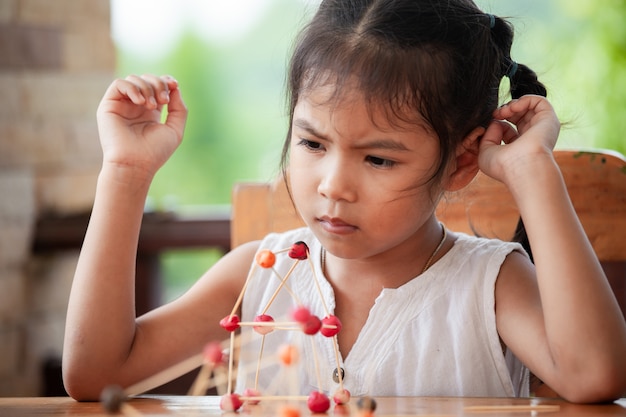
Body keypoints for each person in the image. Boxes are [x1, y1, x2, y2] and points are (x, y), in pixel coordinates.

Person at [62, 0, 626, 404]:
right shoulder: (260, 279)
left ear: (459, 162)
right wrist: (126, 172)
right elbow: (96, 373)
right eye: (311, 143)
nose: (333, 184)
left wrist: (532, 171)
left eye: (378, 159)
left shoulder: (490, 285)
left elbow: (596, 375)